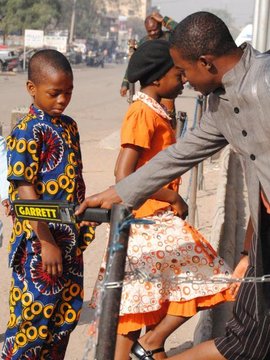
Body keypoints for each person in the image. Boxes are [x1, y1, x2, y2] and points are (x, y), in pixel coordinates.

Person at [76, 11, 270, 360]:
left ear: (206, 62)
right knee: (247, 341)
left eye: (186, 71)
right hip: (265, 233)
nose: (186, 82)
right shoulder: (217, 103)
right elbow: (182, 154)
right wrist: (117, 194)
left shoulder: (266, 80)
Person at [90, 39, 233, 360]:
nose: (184, 80)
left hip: (159, 219)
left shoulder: (157, 108)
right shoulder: (141, 112)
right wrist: (171, 194)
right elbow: (123, 174)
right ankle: (151, 343)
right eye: (177, 74)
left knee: (157, 297)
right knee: (149, 301)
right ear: (156, 79)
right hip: (146, 221)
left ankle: (152, 343)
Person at [2, 49, 95, 359]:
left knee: (64, 319)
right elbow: (24, 190)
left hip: (69, 240)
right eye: (55, 93)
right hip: (38, 246)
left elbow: (73, 181)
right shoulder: (27, 131)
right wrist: (46, 241)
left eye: (68, 93)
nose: (62, 100)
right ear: (32, 88)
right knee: (33, 323)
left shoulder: (69, 126)